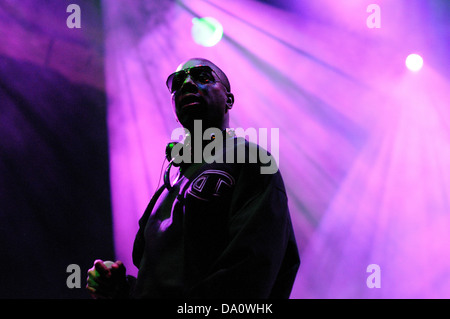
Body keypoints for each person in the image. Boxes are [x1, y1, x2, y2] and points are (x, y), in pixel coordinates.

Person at [86, 58, 300, 299]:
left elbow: (254, 266)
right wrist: (120, 289)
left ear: (229, 100)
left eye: (203, 77)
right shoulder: (168, 184)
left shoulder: (252, 159)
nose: (186, 83)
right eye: (177, 82)